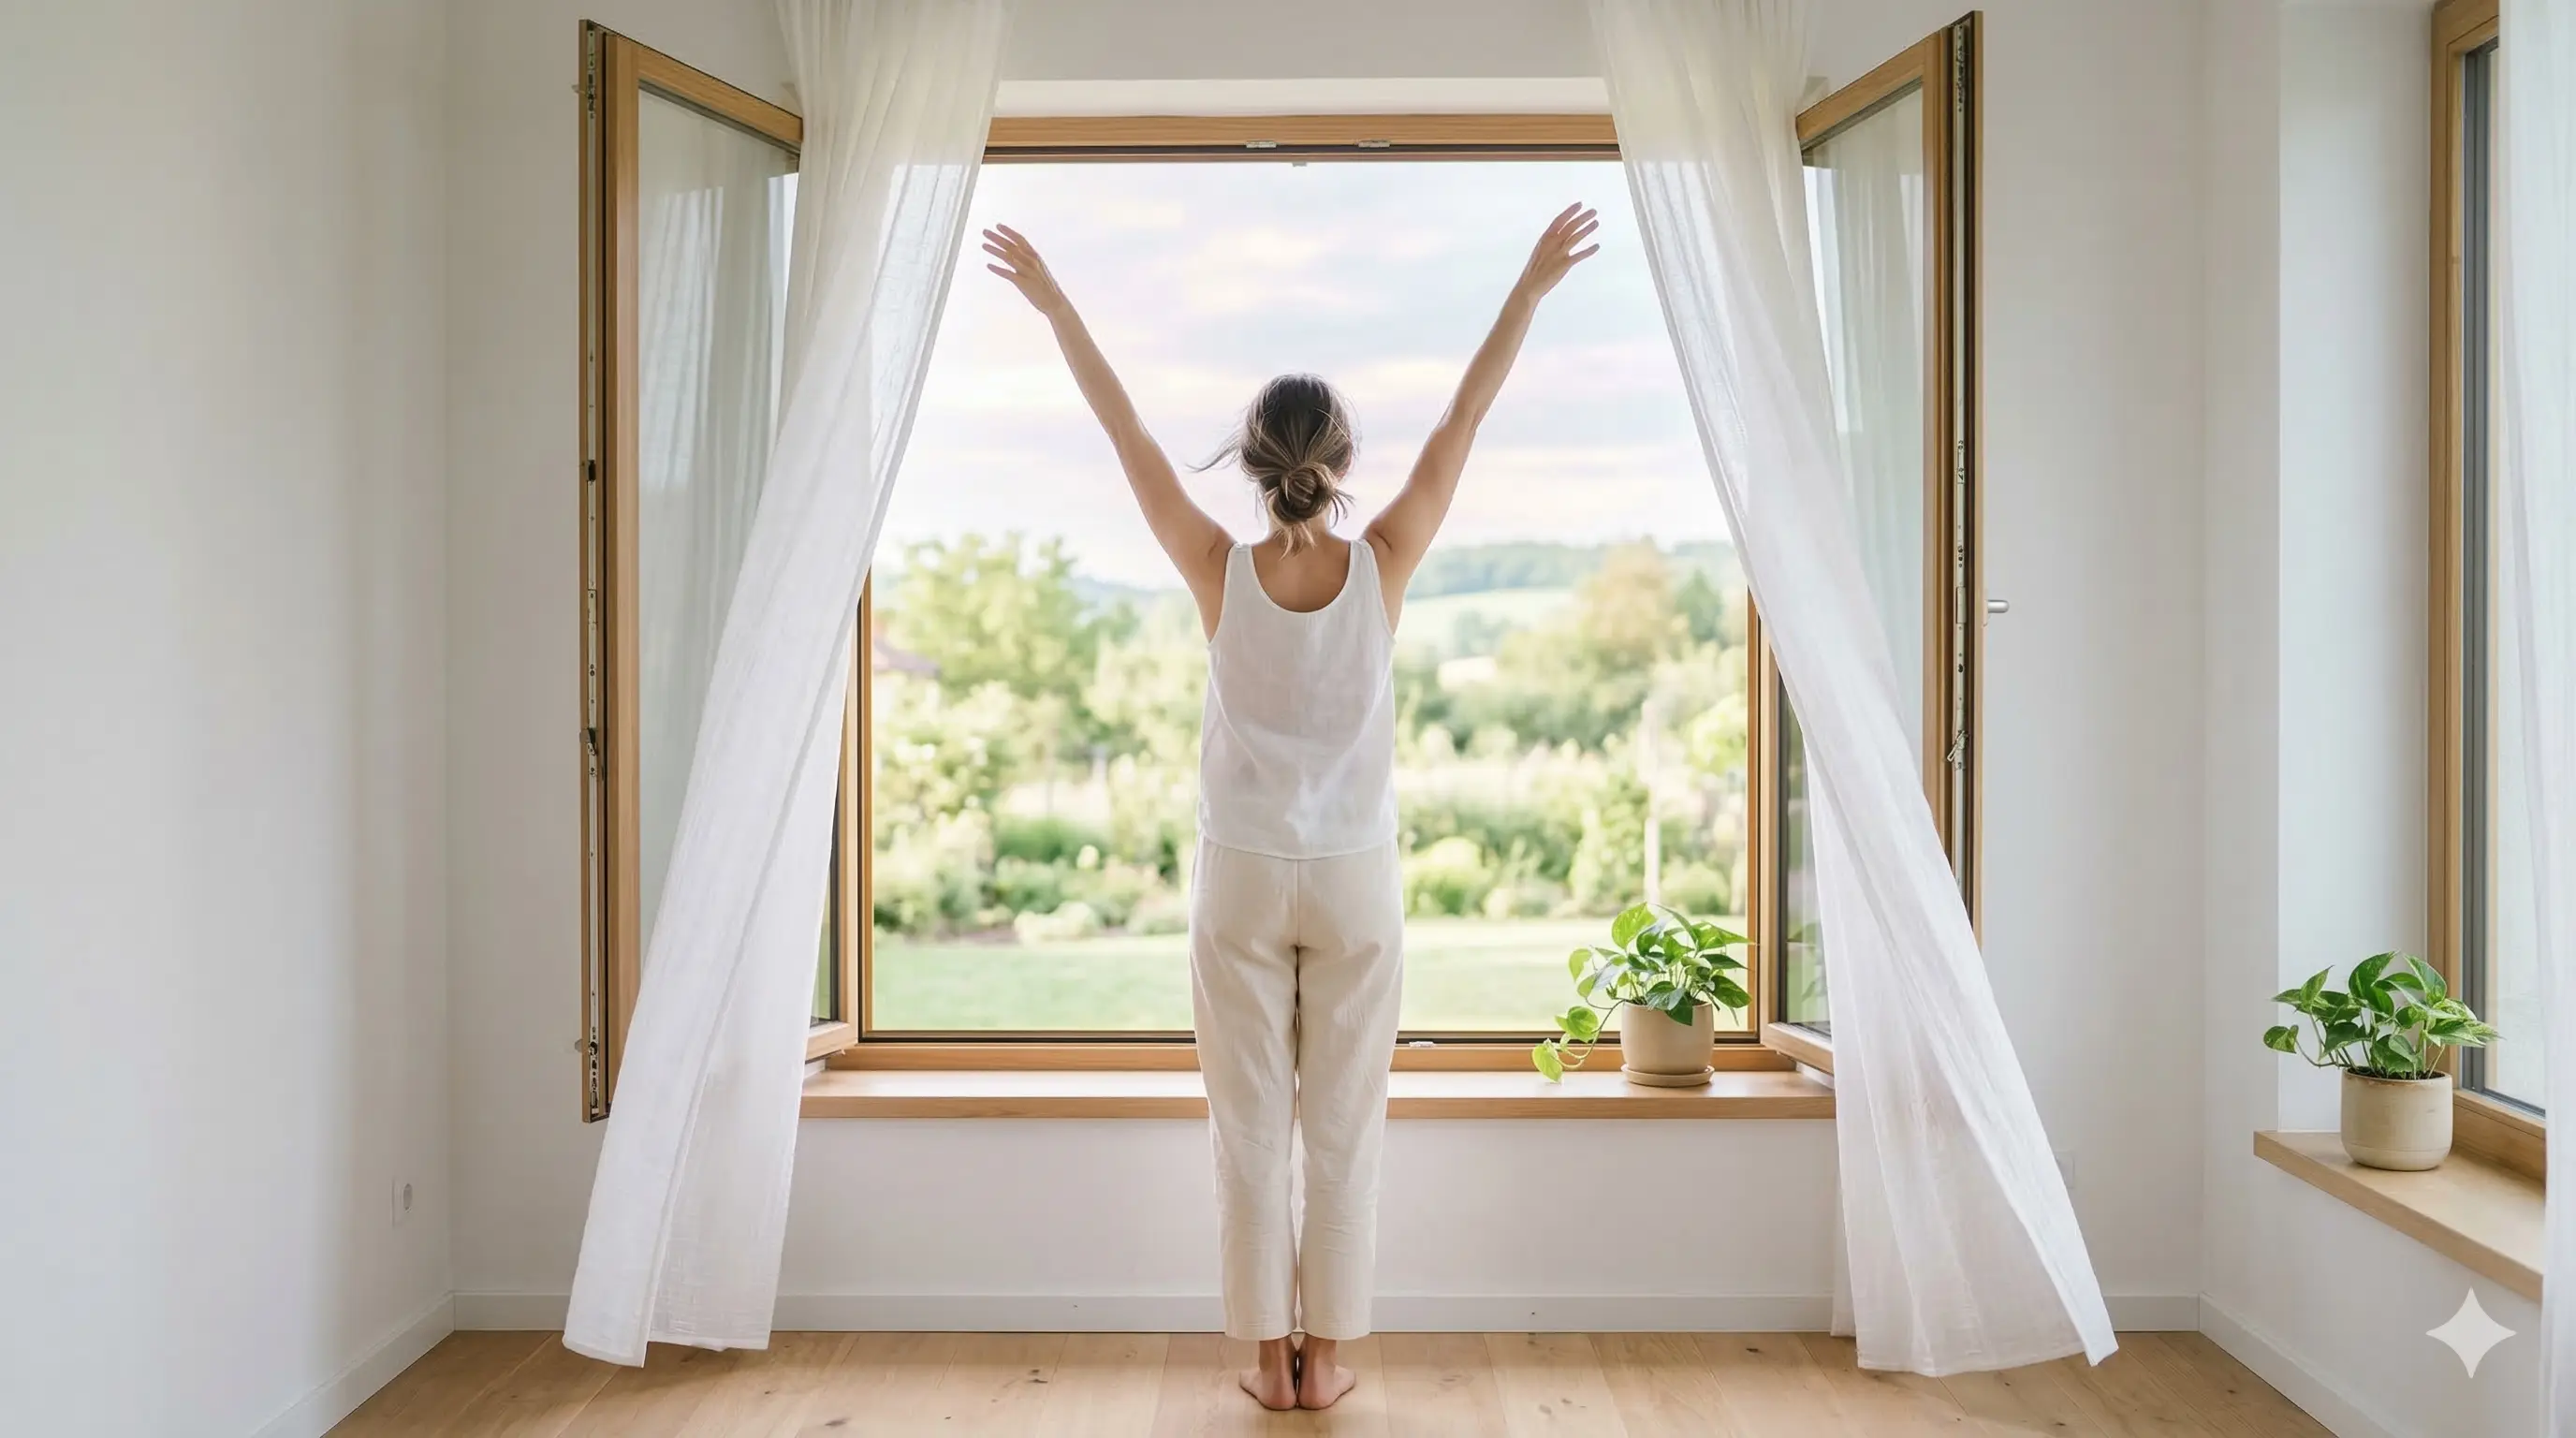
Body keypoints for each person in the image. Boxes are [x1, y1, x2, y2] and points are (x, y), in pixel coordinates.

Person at [981, 204, 1598, 1412]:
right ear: (1341, 460)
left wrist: (1057, 306)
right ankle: (1334, 1357)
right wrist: (1526, 287)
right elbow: (1461, 421)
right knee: (1345, 1123)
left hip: (1246, 878)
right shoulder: (1389, 560)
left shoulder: (1218, 571)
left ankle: (1271, 1359)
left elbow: (1125, 436)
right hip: (1356, 874)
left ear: (1255, 464)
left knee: (1251, 1125)